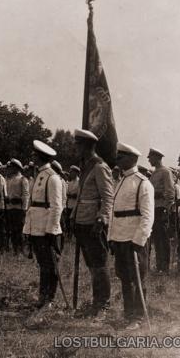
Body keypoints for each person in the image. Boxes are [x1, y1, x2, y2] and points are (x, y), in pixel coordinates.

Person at [109, 143, 155, 330]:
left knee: (137, 278)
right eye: (118, 156)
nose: (118, 159)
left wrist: (138, 240)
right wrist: (111, 237)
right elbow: (114, 212)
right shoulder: (120, 181)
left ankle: (138, 317)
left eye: (122, 156)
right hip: (119, 237)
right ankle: (128, 314)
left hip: (133, 239)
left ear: (133, 159)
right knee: (124, 277)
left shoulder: (143, 183)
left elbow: (147, 216)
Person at [71, 129, 114, 320]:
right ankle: (95, 303)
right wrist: (73, 215)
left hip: (94, 223)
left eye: (78, 145)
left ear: (88, 146)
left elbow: (108, 197)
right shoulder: (86, 166)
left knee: (99, 264)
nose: (76, 148)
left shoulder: (99, 166)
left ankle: (103, 305)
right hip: (82, 221)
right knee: (91, 265)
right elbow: (81, 196)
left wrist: (102, 218)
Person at [23, 141, 63, 310]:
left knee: (50, 265)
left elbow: (56, 206)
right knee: (43, 265)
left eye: (34, 155)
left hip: (47, 230)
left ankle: (49, 299)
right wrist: (27, 229)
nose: (32, 157)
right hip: (36, 228)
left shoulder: (52, 178)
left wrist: (51, 230)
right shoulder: (38, 176)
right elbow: (31, 206)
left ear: (40, 157)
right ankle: (43, 296)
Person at [147, 148, 175, 273]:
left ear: (157, 158)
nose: (149, 160)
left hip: (161, 208)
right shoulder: (154, 173)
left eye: (150, 157)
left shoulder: (165, 172)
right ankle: (160, 266)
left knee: (163, 238)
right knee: (157, 238)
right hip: (153, 208)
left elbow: (170, 192)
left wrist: (167, 208)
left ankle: (165, 266)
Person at [5, 159, 30, 254]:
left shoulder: (22, 179)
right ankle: (15, 249)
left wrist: (24, 209)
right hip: (10, 207)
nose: (10, 169)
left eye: (12, 167)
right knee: (12, 230)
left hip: (19, 208)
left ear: (16, 168)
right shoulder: (10, 179)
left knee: (19, 230)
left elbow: (26, 195)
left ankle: (21, 250)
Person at [65, 166, 80, 238]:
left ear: (76, 173)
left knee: (74, 222)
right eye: (70, 172)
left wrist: (74, 195)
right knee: (68, 221)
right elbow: (67, 193)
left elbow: (79, 194)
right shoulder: (70, 183)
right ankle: (70, 235)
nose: (70, 174)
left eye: (72, 172)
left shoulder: (79, 182)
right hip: (69, 204)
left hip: (75, 205)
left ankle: (74, 235)